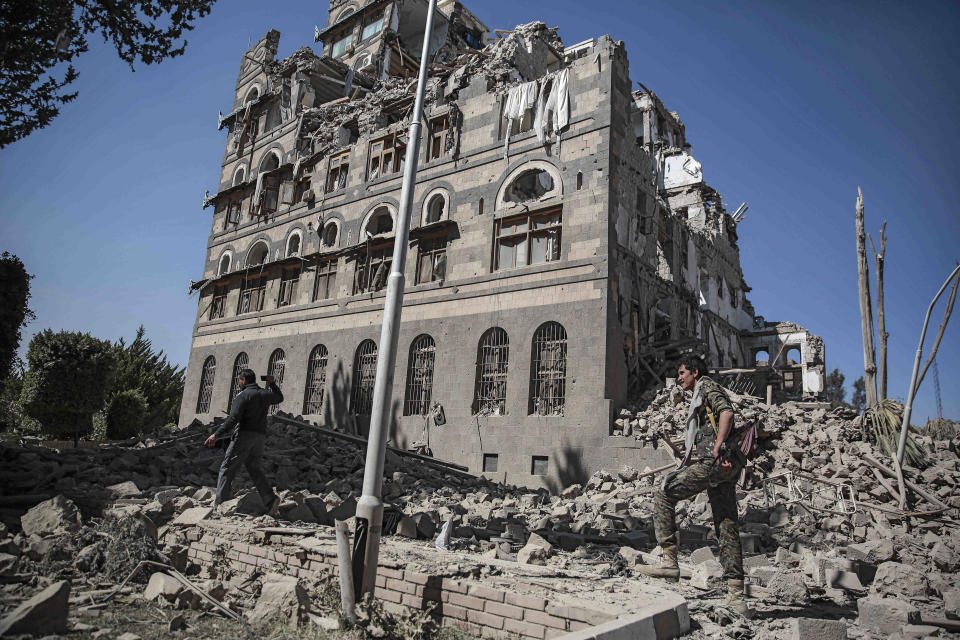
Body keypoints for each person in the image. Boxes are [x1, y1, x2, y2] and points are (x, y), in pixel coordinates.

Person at [635, 356, 751, 618]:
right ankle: (736, 595)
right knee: (726, 523)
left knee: (664, 492)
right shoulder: (700, 392)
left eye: (682, 373)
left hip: (714, 462)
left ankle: (669, 561)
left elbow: (727, 412)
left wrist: (719, 444)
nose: (679, 378)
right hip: (726, 468)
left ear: (695, 372)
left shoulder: (707, 386)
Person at [205, 368, 282, 516]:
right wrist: (272, 384)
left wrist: (216, 434)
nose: (239, 383)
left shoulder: (243, 395)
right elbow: (279, 398)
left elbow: (233, 419)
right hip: (260, 437)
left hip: (244, 435)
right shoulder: (264, 394)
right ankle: (270, 499)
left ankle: (220, 506)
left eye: (239, 380)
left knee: (226, 468)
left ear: (244, 380)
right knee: (254, 468)